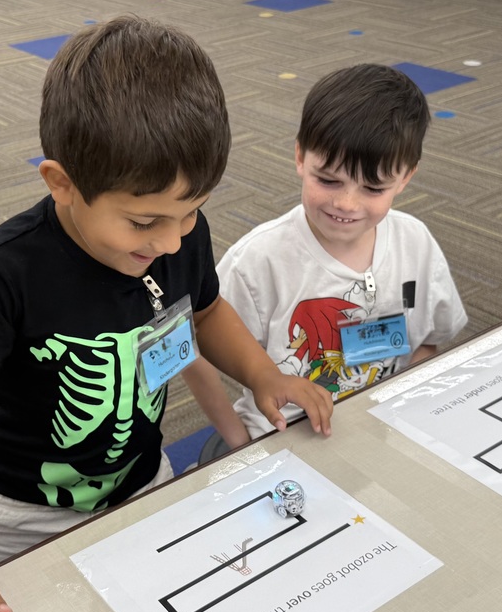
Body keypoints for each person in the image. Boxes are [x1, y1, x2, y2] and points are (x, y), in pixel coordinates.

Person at [0, 15, 332, 612]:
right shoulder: (2, 271)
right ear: (62, 183)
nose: (170, 239)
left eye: (190, 214)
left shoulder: (180, 232)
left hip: (139, 480)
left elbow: (204, 311)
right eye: (143, 221)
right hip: (12, 508)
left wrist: (264, 374)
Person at [187, 63, 467, 444]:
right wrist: (238, 442)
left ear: (406, 178)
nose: (346, 203)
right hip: (280, 438)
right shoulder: (257, 262)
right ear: (301, 157)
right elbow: (195, 350)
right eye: (328, 180)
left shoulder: (415, 244)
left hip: (380, 432)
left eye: (373, 188)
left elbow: (430, 340)